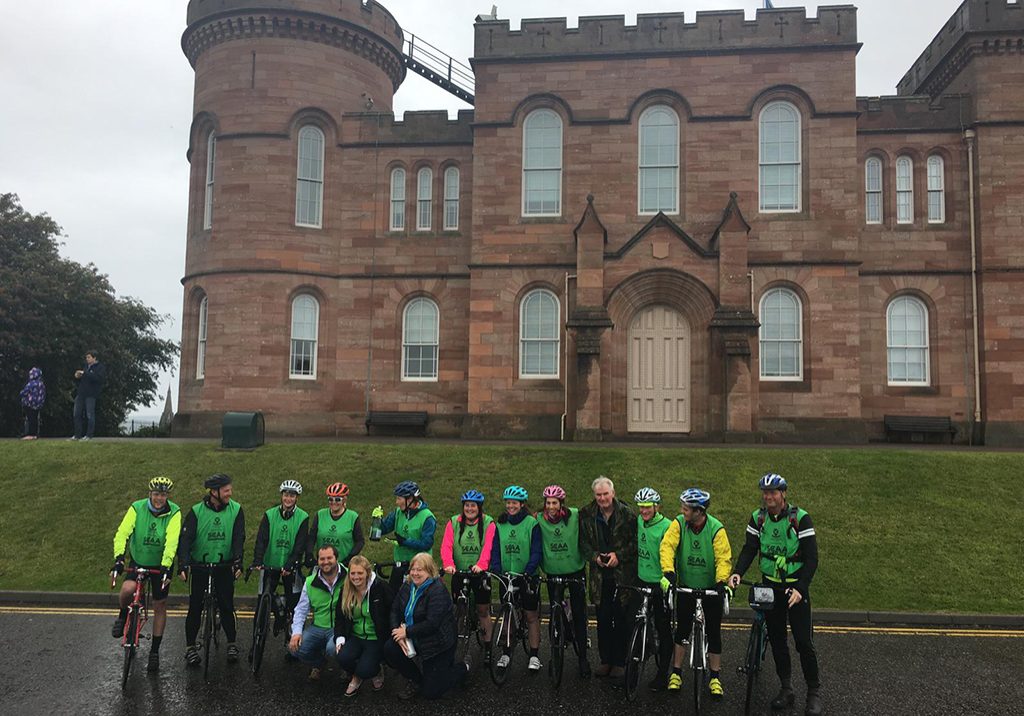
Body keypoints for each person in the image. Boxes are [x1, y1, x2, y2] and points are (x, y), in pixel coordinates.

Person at [728, 473, 821, 716]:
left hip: (794, 589)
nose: (769, 496)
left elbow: (812, 558)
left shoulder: (800, 518)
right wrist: (737, 572)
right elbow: (750, 548)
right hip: (770, 587)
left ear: (783, 493)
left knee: (803, 642)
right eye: (765, 492)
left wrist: (801, 588)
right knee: (778, 641)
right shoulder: (758, 518)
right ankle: (786, 689)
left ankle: (813, 693)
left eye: (774, 492)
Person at [660, 488, 732, 698]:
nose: (683, 511)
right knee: (682, 630)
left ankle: (715, 677)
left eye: (687, 508)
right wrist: (669, 571)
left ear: (699, 511)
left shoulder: (716, 528)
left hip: (711, 588)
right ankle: (676, 673)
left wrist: (721, 581)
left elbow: (723, 557)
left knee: (714, 632)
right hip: (686, 587)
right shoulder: (679, 524)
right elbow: (667, 546)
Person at [110, 476, 181, 672]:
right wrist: (119, 558)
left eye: (163, 494)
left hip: (161, 564)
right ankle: (123, 615)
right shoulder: (137, 508)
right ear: (150, 494)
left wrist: (166, 565)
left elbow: (172, 540)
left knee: (160, 604)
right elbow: (122, 533)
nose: (159, 498)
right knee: (127, 589)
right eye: (156, 494)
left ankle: (155, 652)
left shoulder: (174, 512)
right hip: (139, 559)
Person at [177, 473, 246, 666]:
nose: (229, 494)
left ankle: (231, 643)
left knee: (226, 606)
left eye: (230, 490)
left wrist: (238, 561)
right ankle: (190, 647)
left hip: (224, 566)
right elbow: (186, 540)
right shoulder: (197, 511)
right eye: (226, 490)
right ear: (214, 492)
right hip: (200, 566)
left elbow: (239, 537)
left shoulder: (236, 510)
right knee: (195, 607)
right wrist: (182, 564)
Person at [383, 552, 469, 700]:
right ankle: (416, 680)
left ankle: (463, 667)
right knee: (389, 648)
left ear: (430, 571)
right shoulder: (407, 585)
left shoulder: (437, 591)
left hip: (437, 643)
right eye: (413, 569)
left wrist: (407, 632)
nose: (415, 573)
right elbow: (394, 610)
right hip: (413, 636)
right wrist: (397, 633)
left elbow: (432, 624)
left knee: (431, 693)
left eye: (420, 570)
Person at [580, 476, 637, 682]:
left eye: (605, 494)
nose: (602, 498)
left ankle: (620, 662)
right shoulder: (586, 514)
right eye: (598, 495)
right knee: (603, 619)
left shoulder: (628, 514)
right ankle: (606, 660)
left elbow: (636, 543)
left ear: (613, 493)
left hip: (622, 577)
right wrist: (595, 556)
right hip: (599, 577)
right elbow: (583, 543)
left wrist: (618, 556)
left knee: (620, 619)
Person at [537, 484, 591, 678]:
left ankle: (583, 657)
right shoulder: (538, 519)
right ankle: (555, 652)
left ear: (561, 504)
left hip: (575, 570)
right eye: (548, 503)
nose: (551, 507)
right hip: (553, 572)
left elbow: (595, 511)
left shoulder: (575, 515)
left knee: (578, 613)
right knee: (554, 612)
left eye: (554, 503)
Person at [489, 485, 543, 672]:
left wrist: (529, 570)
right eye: (508, 503)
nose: (510, 506)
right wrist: (496, 568)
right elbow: (495, 549)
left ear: (522, 504)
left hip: (527, 575)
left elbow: (536, 550)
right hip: (507, 576)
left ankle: (534, 655)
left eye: (514, 503)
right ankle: (506, 652)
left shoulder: (531, 523)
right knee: (507, 614)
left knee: (531, 615)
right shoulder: (500, 524)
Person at [440, 489, 495, 664]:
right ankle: (456, 645)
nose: (469, 509)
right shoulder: (453, 522)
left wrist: (482, 565)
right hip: (459, 572)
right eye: (467, 505)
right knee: (459, 610)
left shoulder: (488, 523)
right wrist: (449, 564)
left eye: (473, 506)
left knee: (483, 611)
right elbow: (447, 546)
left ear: (479, 507)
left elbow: (488, 547)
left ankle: (488, 647)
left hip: (479, 573)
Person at [252, 479, 309, 636]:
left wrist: (290, 564)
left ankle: (292, 641)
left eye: (292, 496)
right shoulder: (270, 515)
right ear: (282, 496)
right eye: (286, 495)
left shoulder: (303, 517)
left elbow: (300, 545)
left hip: (290, 567)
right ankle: (256, 639)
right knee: (261, 605)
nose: (288, 498)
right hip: (270, 564)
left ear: (297, 498)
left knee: (294, 604)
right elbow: (261, 539)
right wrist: (258, 560)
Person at [334, 555, 393, 697]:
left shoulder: (381, 587)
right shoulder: (346, 590)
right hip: (356, 636)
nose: (356, 577)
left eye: (360, 573)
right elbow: (340, 618)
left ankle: (371, 671)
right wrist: (340, 637)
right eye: (352, 573)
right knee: (342, 657)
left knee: (366, 670)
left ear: (367, 572)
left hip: (375, 638)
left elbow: (393, 610)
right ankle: (357, 674)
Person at [632, 487, 673, 691]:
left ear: (657, 506)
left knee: (664, 629)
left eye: (647, 507)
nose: (643, 511)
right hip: (642, 581)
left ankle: (662, 673)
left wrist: (667, 579)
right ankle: (632, 668)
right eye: (640, 507)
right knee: (636, 624)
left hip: (660, 584)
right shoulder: (638, 521)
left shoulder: (667, 526)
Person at [290, 544, 344, 681]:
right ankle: (319, 664)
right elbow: (301, 610)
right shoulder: (309, 582)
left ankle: (347, 668)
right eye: (322, 559)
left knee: (333, 649)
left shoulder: (349, 575)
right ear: (318, 561)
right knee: (295, 649)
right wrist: (296, 632)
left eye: (329, 558)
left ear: (336, 558)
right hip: (318, 626)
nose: (326, 562)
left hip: (339, 627)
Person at [375, 480, 436, 592]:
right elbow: (384, 529)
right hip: (400, 565)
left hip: (420, 568)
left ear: (410, 499)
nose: (397, 502)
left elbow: (427, 544)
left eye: (399, 499)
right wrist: (377, 520)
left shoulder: (427, 517)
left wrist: (405, 542)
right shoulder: (399, 512)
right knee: (392, 599)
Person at [305, 482, 363, 569]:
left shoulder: (352, 517)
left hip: (343, 565)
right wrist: (309, 554)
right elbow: (312, 537)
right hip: (323, 564)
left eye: (337, 499)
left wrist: (349, 558)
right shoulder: (320, 514)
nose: (333, 502)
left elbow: (360, 541)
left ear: (344, 499)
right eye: (330, 499)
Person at [71, 350, 105, 440]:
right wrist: (78, 376)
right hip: (81, 393)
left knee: (89, 415)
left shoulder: (100, 367)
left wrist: (85, 373)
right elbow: (84, 378)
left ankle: (89, 435)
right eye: (86, 357)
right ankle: (77, 435)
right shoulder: (86, 367)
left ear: (94, 358)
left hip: (91, 394)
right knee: (76, 414)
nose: (87, 359)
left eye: (89, 357)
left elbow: (98, 379)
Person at [18, 367, 45, 439]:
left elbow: (24, 392)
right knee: (35, 418)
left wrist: (21, 394)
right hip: (38, 405)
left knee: (30, 419)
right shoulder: (41, 384)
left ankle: (30, 434)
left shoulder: (31, 384)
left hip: (29, 404)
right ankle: (35, 434)